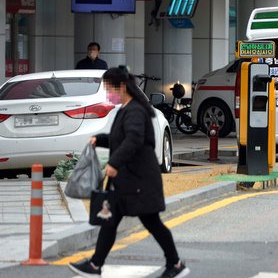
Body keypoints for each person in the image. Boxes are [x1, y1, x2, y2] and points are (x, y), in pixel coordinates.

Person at [68, 66, 190, 278]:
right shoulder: (128, 108)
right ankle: (95, 265)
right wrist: (102, 140)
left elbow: (133, 139)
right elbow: (125, 138)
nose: (108, 94)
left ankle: (176, 264)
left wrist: (113, 163)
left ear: (122, 87)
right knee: (110, 221)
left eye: (109, 89)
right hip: (131, 180)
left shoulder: (134, 110)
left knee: (151, 222)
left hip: (139, 181)